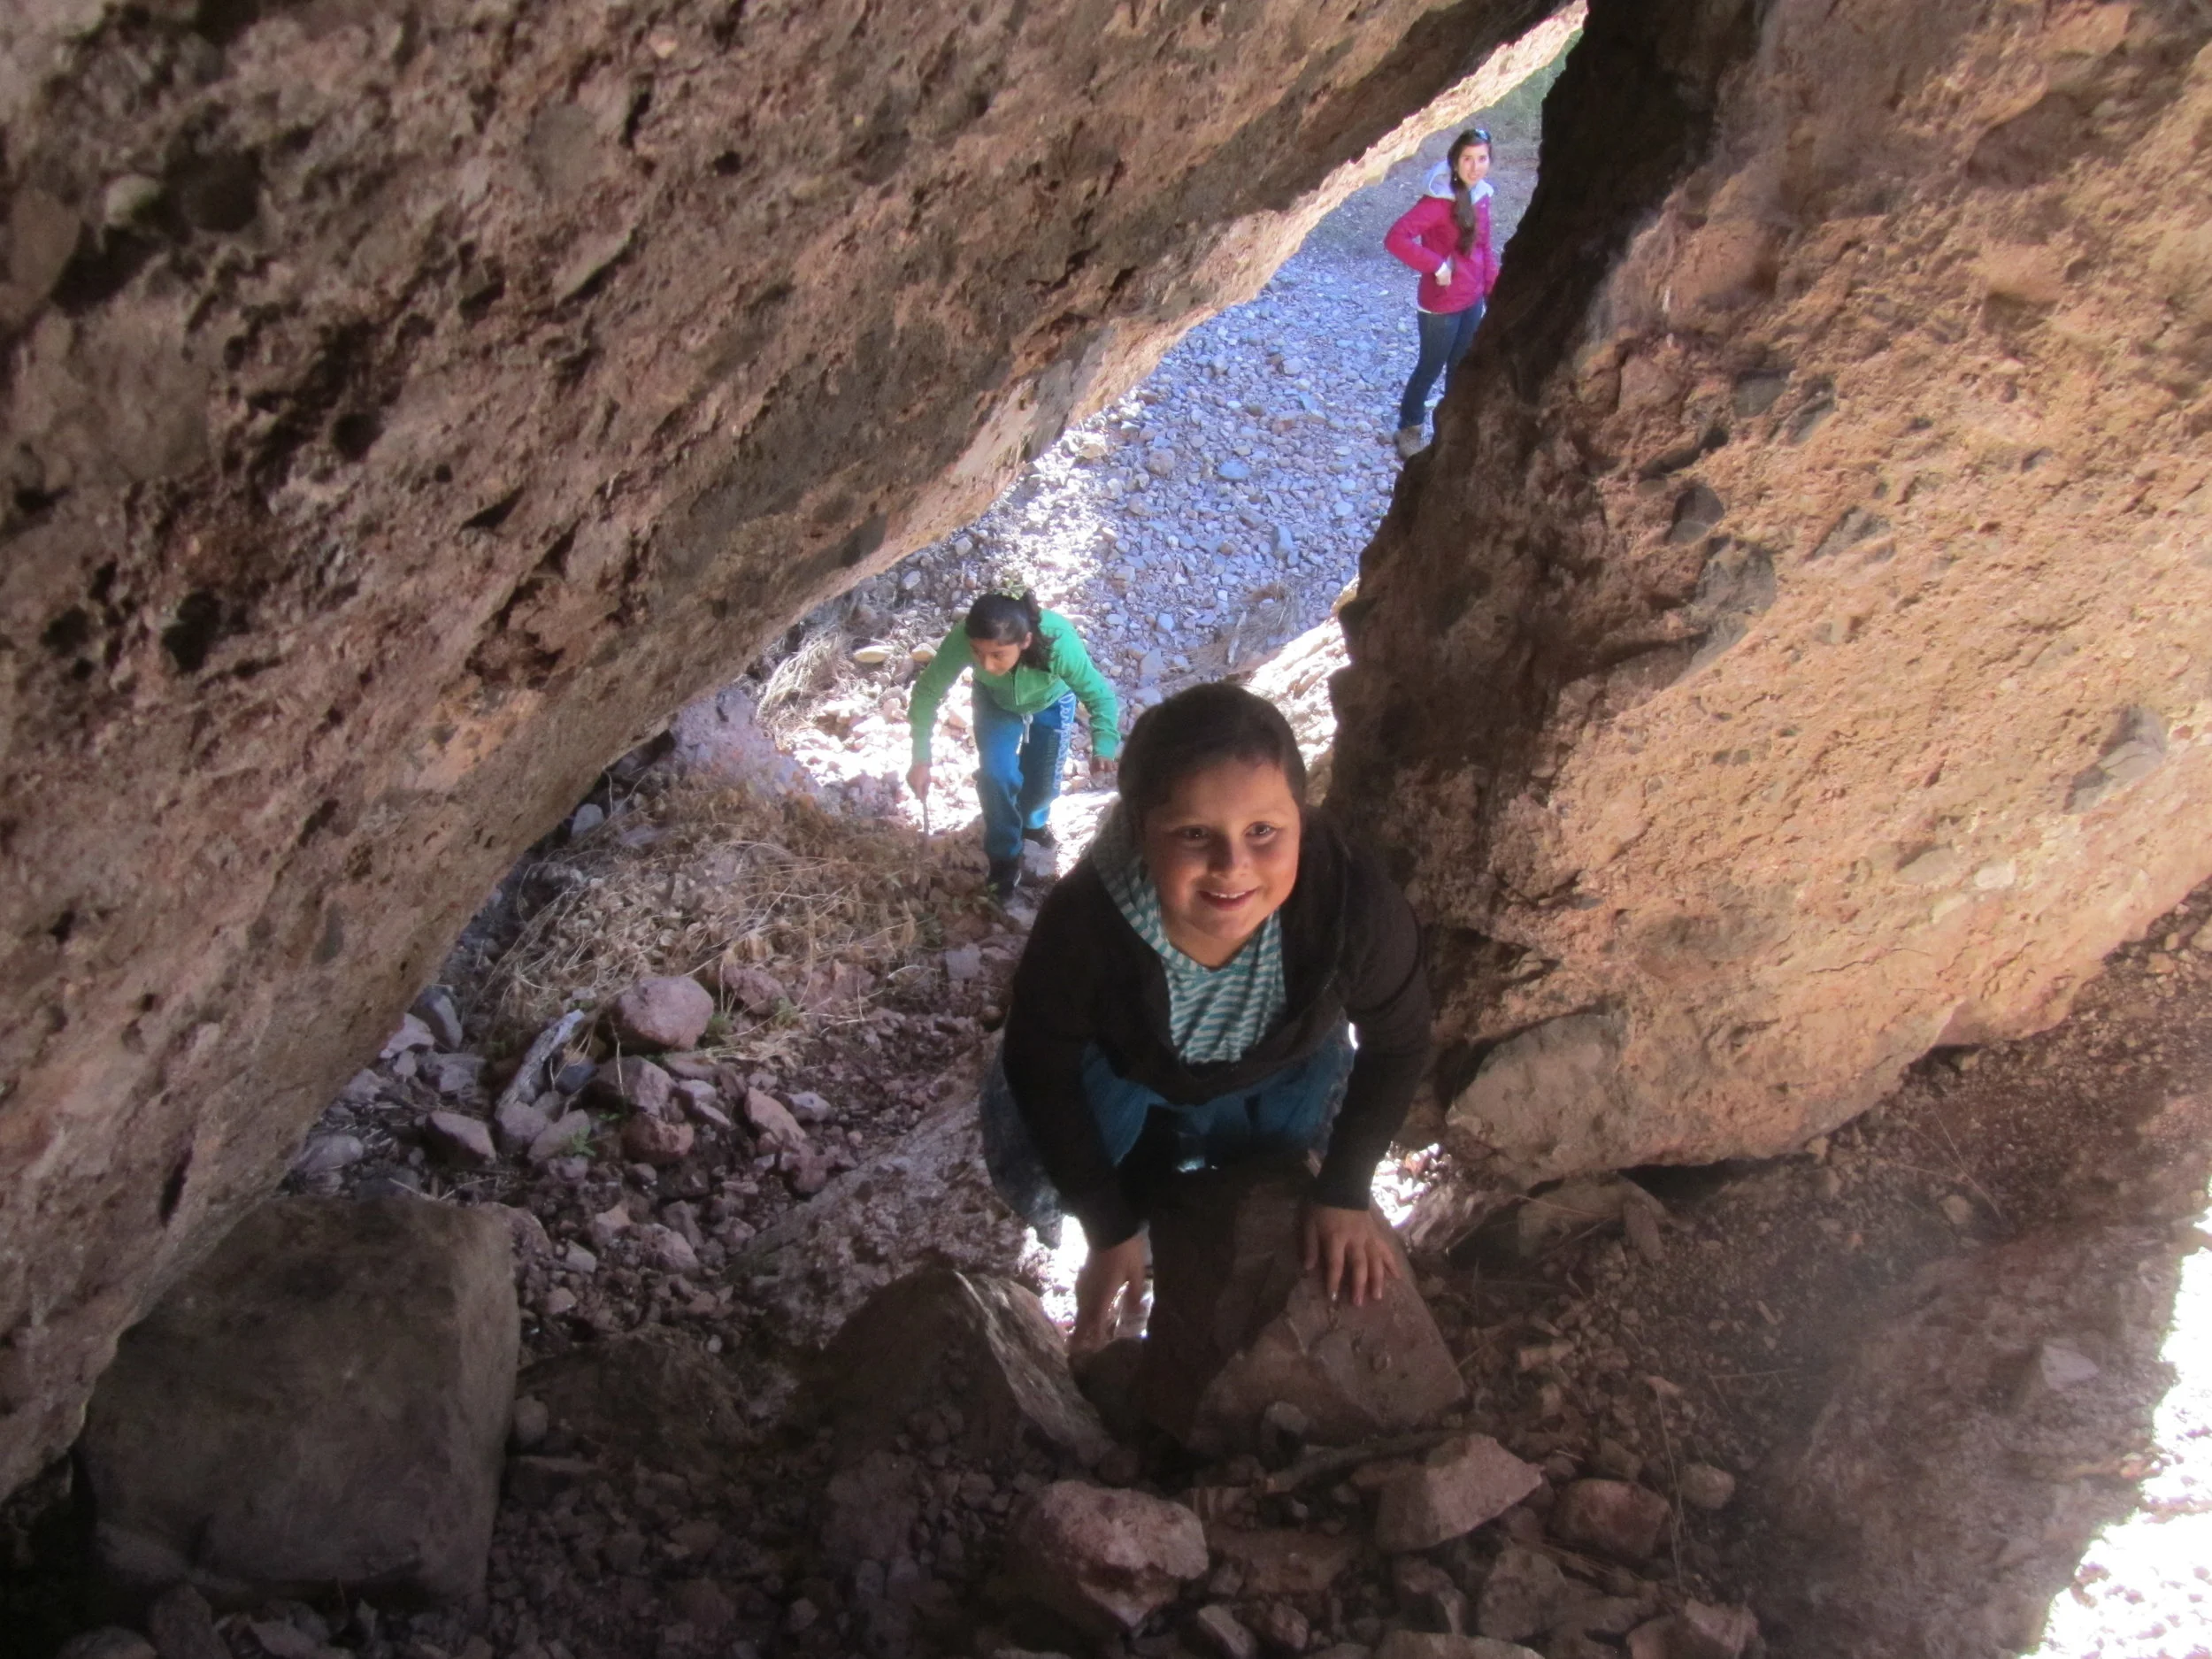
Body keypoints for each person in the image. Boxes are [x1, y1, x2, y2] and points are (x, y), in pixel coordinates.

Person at [982, 682, 1431, 1354]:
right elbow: (1038, 1064)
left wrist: (1344, 1190)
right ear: (1139, 831)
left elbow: (1398, 1042)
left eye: (1264, 832)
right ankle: (1133, 1211)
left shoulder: (1348, 905)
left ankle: (1204, 1194)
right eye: (1194, 834)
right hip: (1127, 1065)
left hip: (1276, 1058)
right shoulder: (1089, 924)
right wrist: (1108, 1224)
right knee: (1048, 1158)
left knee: (1280, 1157)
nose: (1232, 866)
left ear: (1300, 820)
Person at [906, 591, 1121, 903]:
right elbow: (927, 692)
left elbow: (1099, 695)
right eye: (978, 654)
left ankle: (1033, 824)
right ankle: (1004, 859)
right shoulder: (963, 639)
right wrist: (921, 757)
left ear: (1025, 641)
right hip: (996, 703)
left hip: (1051, 702)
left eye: (998, 655)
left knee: (1042, 786)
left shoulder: (1059, 643)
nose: (987, 664)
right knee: (996, 774)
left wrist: (1103, 744)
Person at [1383, 127, 1497, 460]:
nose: (1475, 166)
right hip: (1441, 304)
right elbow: (1396, 238)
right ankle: (1409, 427)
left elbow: (1485, 248)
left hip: (1471, 299)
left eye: (1482, 158)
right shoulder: (1437, 201)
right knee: (1430, 367)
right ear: (1455, 161)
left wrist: (1493, 290)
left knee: (1460, 367)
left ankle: (1450, 430)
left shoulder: (1483, 195)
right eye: (1467, 159)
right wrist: (1435, 265)